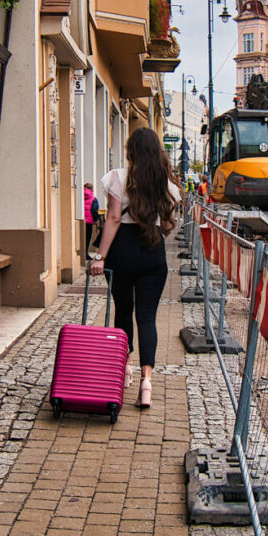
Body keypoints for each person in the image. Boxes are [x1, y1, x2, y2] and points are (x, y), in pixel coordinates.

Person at [89, 127, 181, 409]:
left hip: (123, 253)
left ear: (131, 152)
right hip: (153, 254)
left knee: (123, 311)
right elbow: (167, 226)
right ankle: (147, 382)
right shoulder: (168, 186)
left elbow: (114, 218)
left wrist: (99, 257)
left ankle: (124, 369)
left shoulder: (118, 178)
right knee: (147, 318)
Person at [83, 182, 99, 257]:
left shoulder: (80, 196)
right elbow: (94, 210)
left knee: (82, 237)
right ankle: (86, 253)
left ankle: (83, 253)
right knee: (88, 237)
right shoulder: (93, 199)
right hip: (89, 221)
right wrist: (95, 219)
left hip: (82, 220)